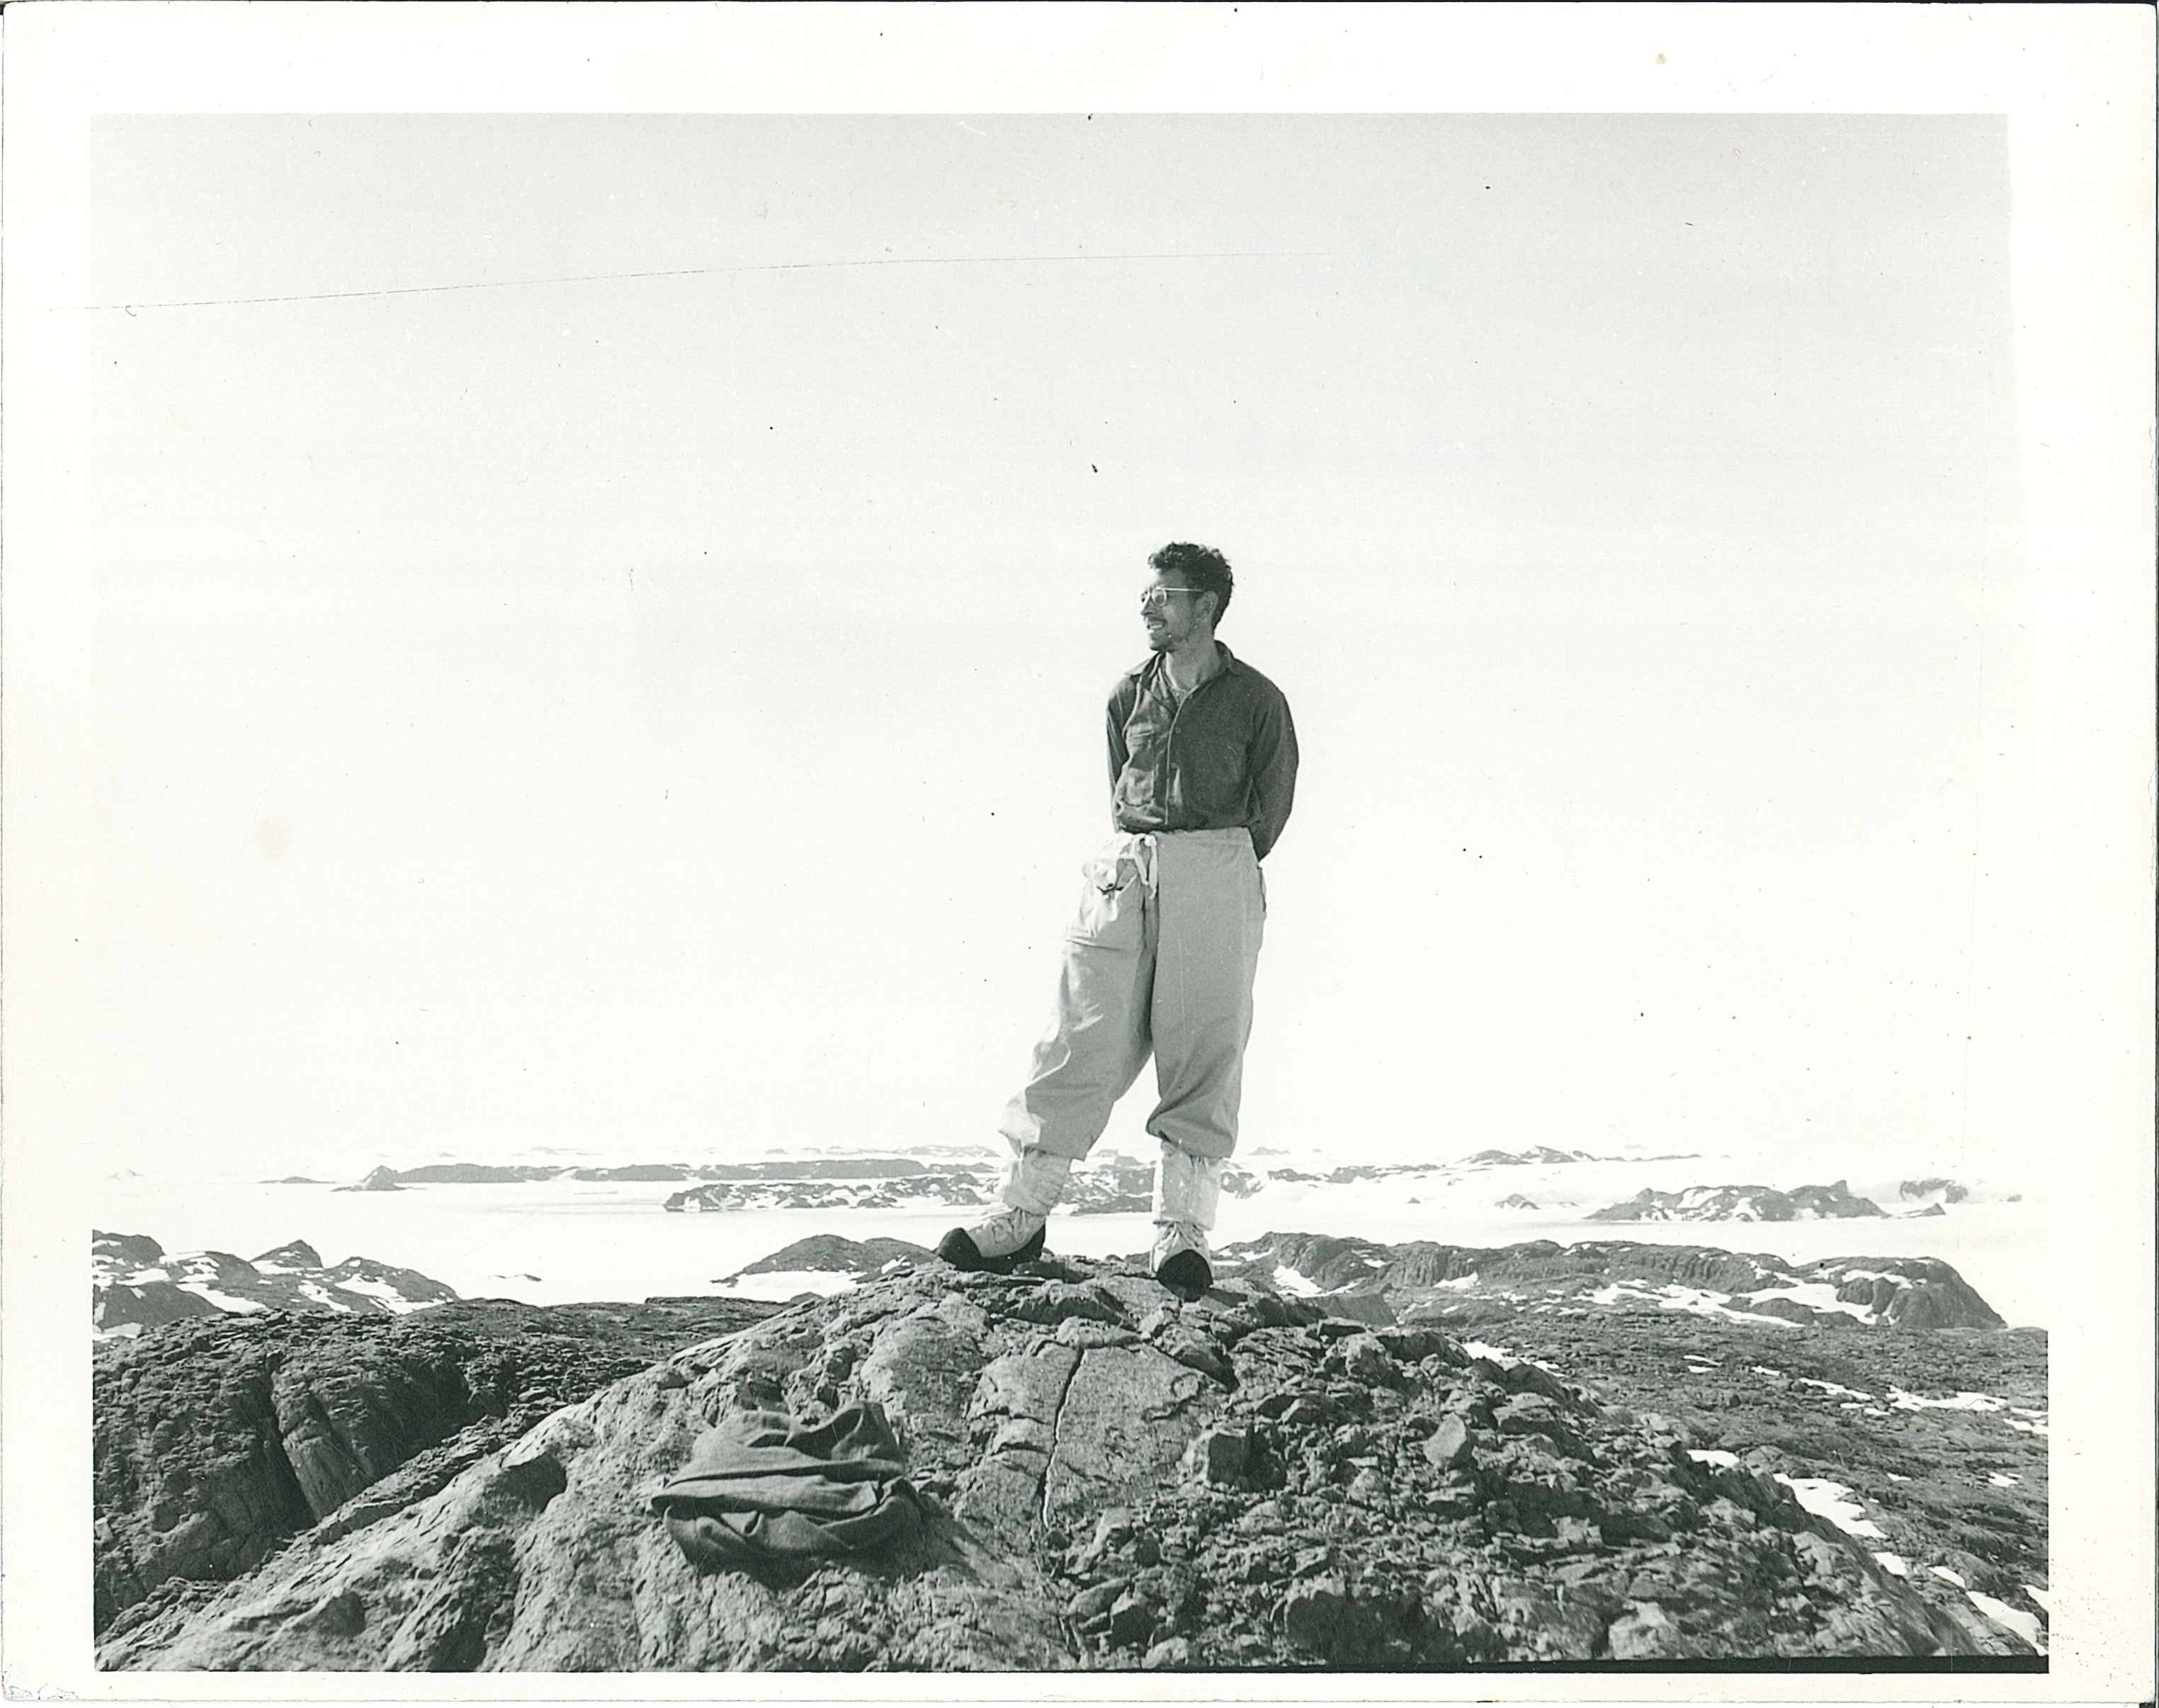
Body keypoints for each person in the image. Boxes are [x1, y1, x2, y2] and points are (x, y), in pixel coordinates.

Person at [937, 542, 1299, 1300]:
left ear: (1205, 605)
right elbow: (1117, 788)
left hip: (1217, 866)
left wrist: (1211, 863)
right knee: (1078, 1039)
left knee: (1205, 1043)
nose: (1146, 606)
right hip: (1127, 870)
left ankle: (1181, 1235)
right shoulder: (1127, 695)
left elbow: (1271, 806)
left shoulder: (1257, 700)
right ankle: (1021, 1215)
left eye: (1163, 596)